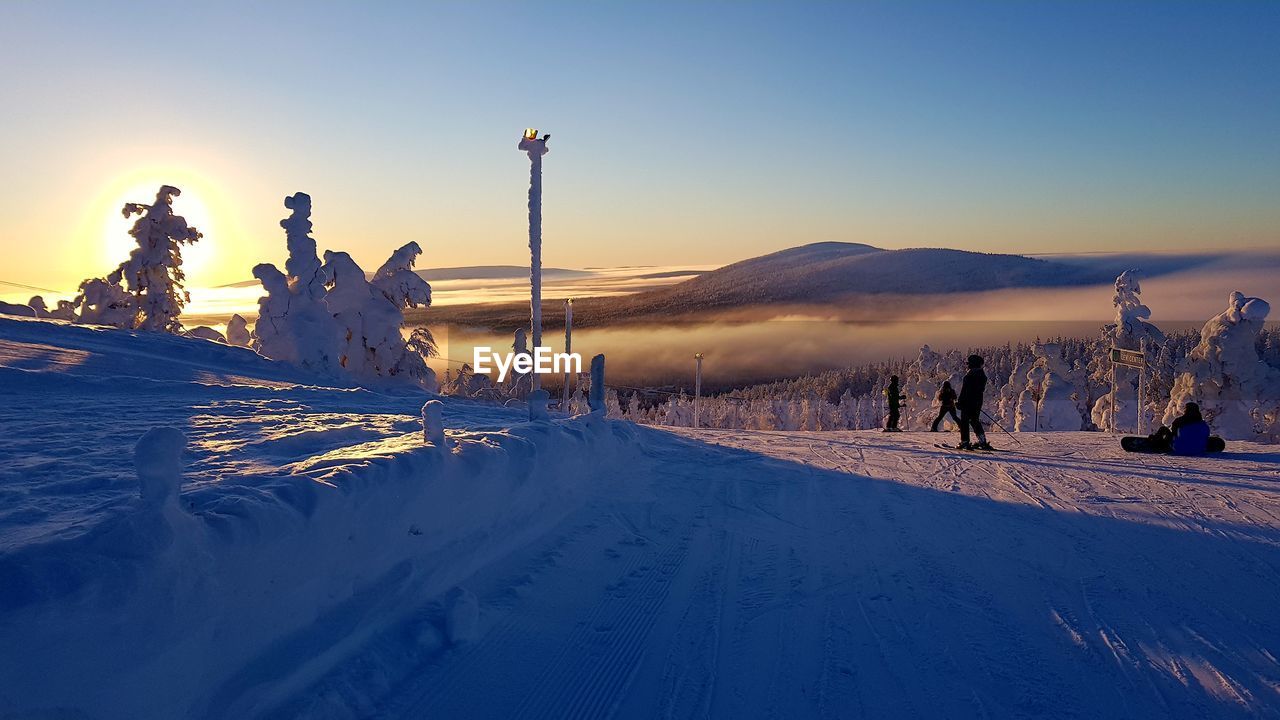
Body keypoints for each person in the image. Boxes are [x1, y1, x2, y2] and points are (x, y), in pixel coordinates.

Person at [957, 355, 992, 450]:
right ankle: (982, 441)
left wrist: (960, 402)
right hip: (977, 402)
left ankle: (965, 442)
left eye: (968, 363)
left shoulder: (970, 375)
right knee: (974, 420)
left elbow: (965, 391)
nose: (967, 365)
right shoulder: (981, 375)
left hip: (967, 402)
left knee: (964, 422)